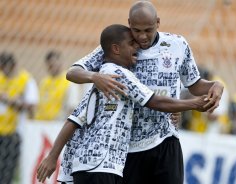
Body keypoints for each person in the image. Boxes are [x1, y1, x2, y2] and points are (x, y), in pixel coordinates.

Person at [65, 1, 224, 184]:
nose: (142, 37)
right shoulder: (121, 45)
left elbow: (194, 84)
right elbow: (73, 72)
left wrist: (216, 85)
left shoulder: (177, 45)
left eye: (148, 30)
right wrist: (95, 77)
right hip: (129, 147)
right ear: (129, 23)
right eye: (137, 30)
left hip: (165, 139)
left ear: (158, 22)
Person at [36, 24, 212, 184]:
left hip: (87, 165)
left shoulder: (103, 79)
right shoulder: (119, 75)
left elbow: (74, 120)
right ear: (116, 49)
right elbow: (154, 101)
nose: (137, 46)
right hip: (102, 165)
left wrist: (53, 157)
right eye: (131, 43)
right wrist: (193, 104)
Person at [0, 52, 39, 184]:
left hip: (14, 131)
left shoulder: (25, 79)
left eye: (5, 68)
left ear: (13, 66)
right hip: (1, 128)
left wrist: (13, 101)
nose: (3, 72)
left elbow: (32, 106)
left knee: (8, 170)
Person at [34, 50, 80, 121]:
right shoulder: (44, 82)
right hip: (42, 123)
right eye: (50, 65)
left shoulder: (69, 81)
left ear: (60, 63)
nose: (52, 67)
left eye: (54, 64)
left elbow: (72, 107)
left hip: (59, 123)